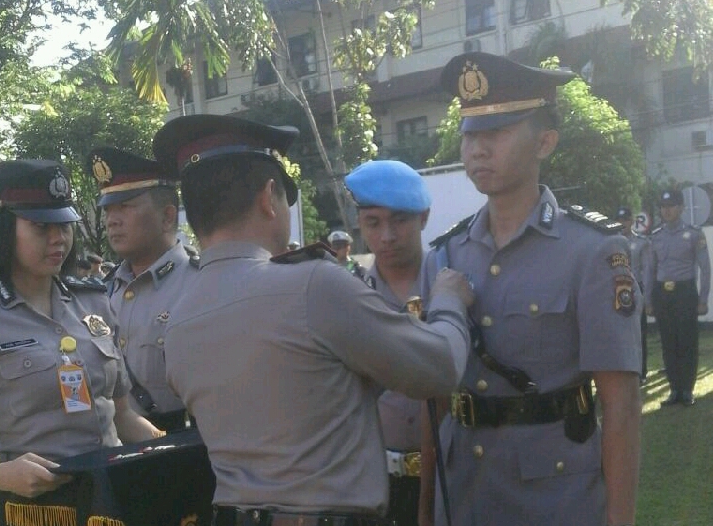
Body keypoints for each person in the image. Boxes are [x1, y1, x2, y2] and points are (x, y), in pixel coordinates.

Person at [152, 113, 475, 525]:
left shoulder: (177, 323)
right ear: (269, 197)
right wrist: (448, 302)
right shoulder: (313, 287)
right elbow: (439, 367)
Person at [418, 52, 642, 526]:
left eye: (496, 133)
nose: (478, 150)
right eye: (470, 134)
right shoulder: (444, 255)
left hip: (556, 499)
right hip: (465, 494)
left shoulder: (592, 252)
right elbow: (434, 404)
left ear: (544, 142)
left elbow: (620, 405)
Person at [0, 159, 160, 525]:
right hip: (37, 508)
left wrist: (172, 446)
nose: (59, 238)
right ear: (4, 228)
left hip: (111, 499)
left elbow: (122, 414)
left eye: (64, 224)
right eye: (41, 227)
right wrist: (0, 475)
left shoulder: (93, 301)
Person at [85, 146, 199, 432]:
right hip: (114, 446)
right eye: (108, 209)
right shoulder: (101, 293)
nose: (112, 220)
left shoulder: (200, 283)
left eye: (125, 206)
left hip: (183, 444)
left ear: (167, 216)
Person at [344, 159, 433, 526]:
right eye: (373, 223)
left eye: (400, 220)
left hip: (452, 476)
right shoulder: (348, 298)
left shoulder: (452, 286)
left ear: (424, 218)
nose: (387, 236)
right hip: (373, 483)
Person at [647, 189, 711, 406]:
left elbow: (705, 268)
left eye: (671, 206)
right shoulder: (656, 236)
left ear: (681, 208)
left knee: (687, 341)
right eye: (663, 207)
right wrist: (648, 300)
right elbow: (650, 271)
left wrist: (703, 299)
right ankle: (674, 389)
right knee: (668, 342)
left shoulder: (694, 234)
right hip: (662, 294)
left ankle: (687, 389)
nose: (667, 211)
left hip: (685, 293)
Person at [616, 206, 652, 383]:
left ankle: (641, 371)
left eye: (625, 220)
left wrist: (646, 297)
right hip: (617, 291)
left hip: (635, 290)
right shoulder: (611, 243)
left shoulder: (641, 242)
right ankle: (624, 371)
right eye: (619, 220)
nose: (622, 223)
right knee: (620, 334)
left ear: (631, 221)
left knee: (638, 332)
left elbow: (647, 271)